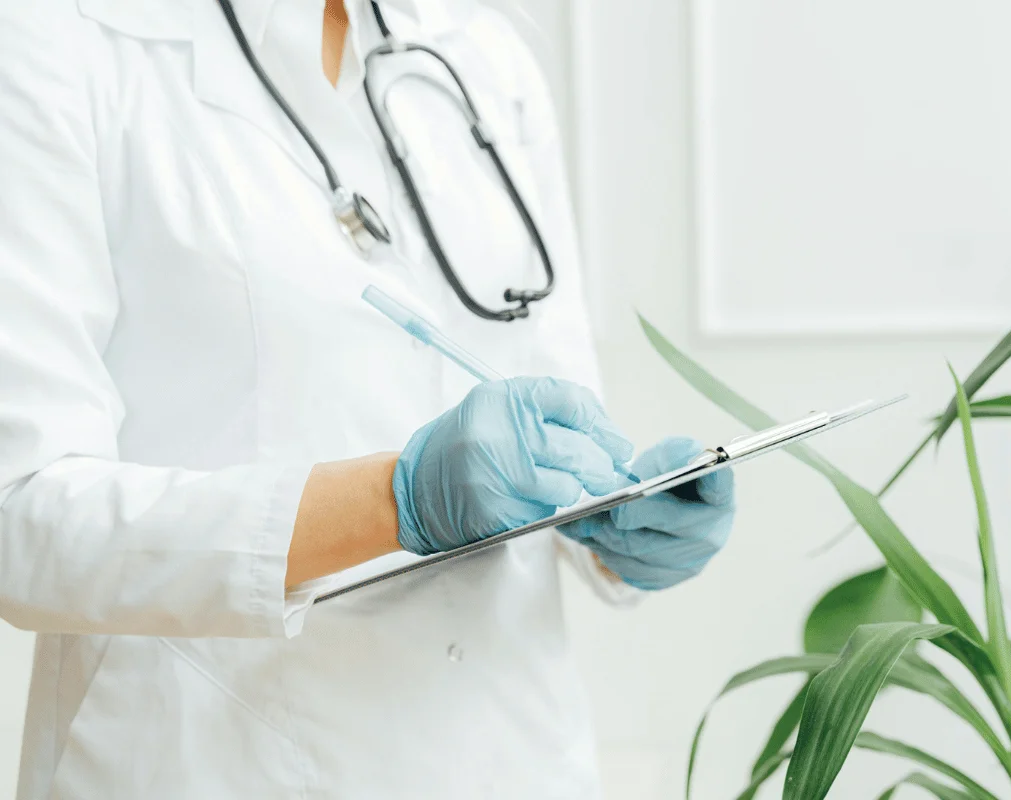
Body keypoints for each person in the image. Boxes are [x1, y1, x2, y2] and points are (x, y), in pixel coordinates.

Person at [0, 0, 736, 797]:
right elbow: (20, 515)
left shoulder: (480, 50)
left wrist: (620, 514)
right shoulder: (52, 40)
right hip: (215, 761)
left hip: (515, 753)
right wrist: (400, 501)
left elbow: (558, 407)